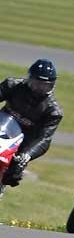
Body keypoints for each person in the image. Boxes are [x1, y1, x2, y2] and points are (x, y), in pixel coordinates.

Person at [0, 59, 63, 189]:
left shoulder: (53, 111)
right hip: (2, 126)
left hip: (21, 144)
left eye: (45, 85)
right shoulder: (12, 85)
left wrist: (27, 155)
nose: (40, 88)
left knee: (12, 174)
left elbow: (45, 139)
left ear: (52, 85)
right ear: (29, 79)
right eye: (36, 83)